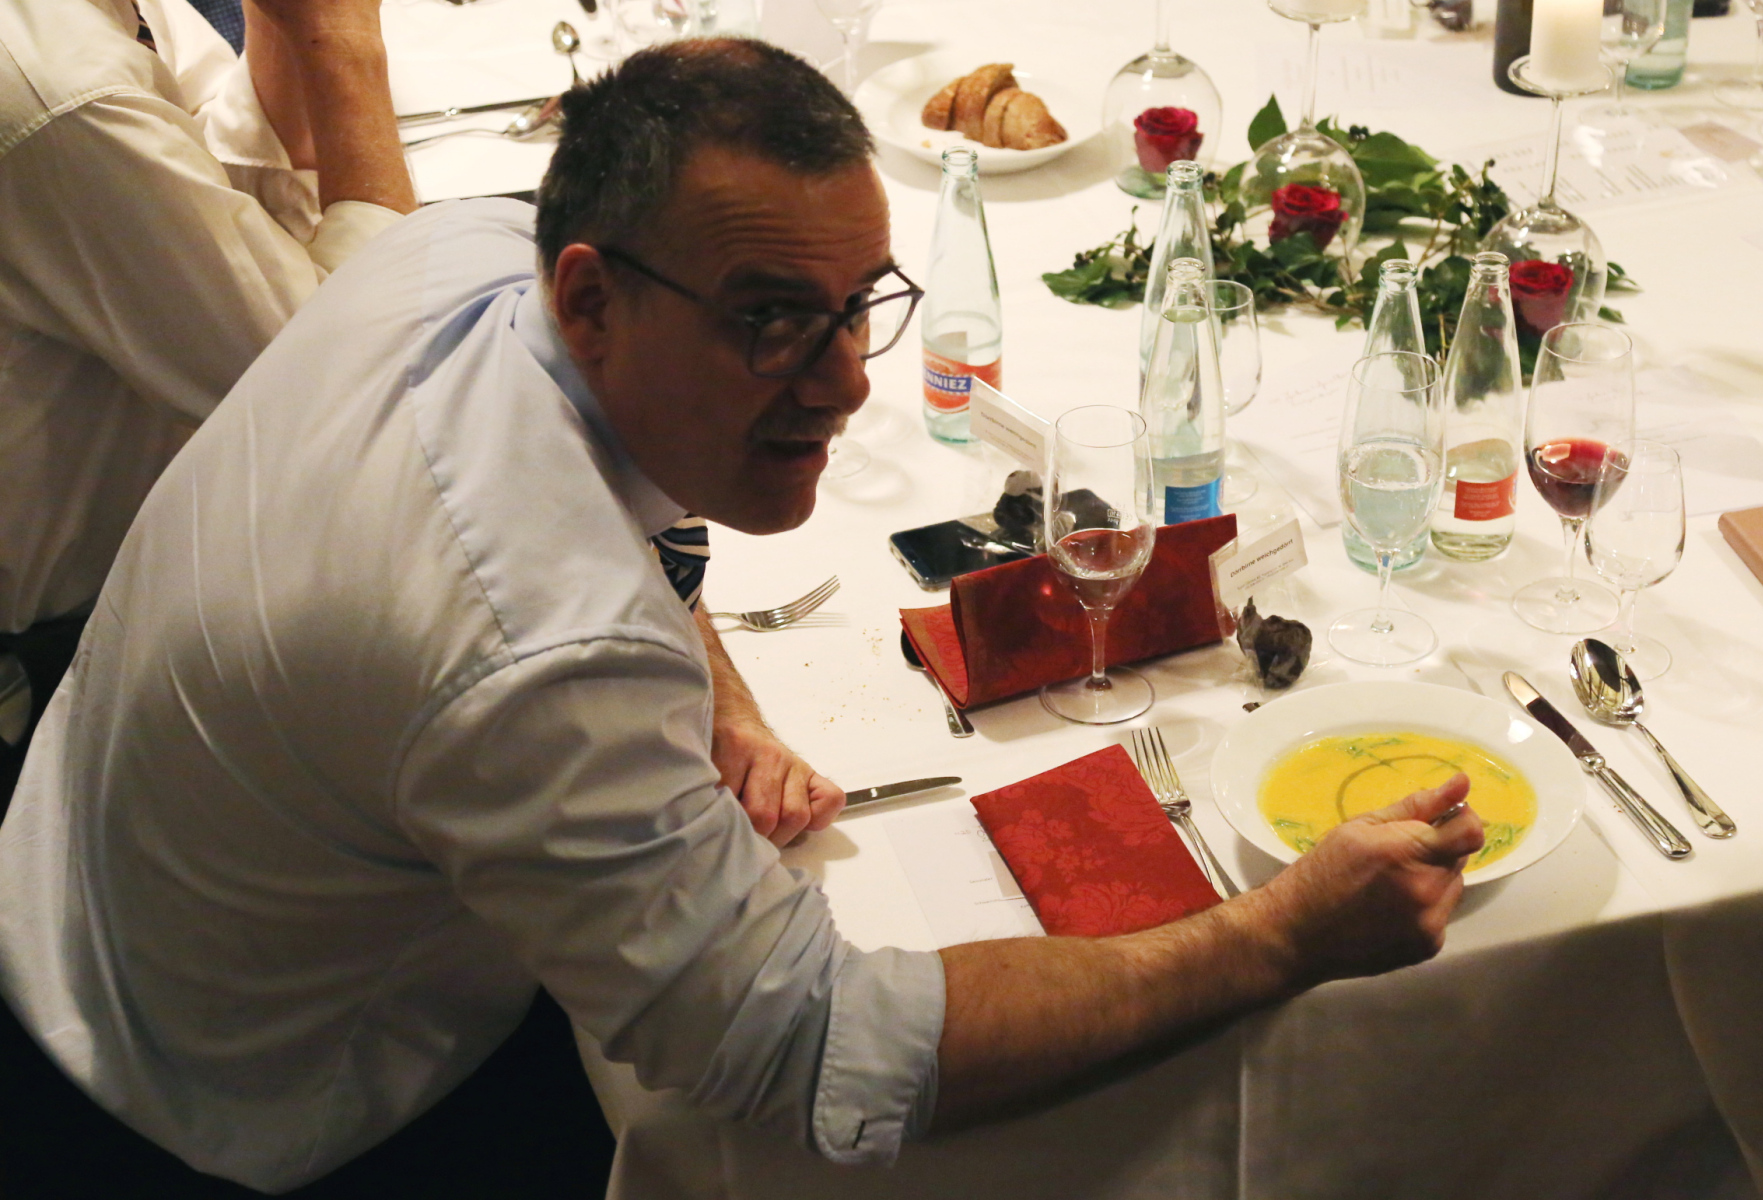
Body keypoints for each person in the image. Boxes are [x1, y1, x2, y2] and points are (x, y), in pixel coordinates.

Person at [0, 37, 1484, 1194]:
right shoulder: (538, 657)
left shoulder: (460, 255)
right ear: (591, 297)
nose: (846, 381)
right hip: (211, 1109)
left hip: (66, 870)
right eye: (769, 318)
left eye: (859, 302)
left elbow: (579, 530)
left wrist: (716, 689)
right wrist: (1275, 936)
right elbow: (824, 1051)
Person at [0, 0, 416, 803]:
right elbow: (352, 380)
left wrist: (289, 32)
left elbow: (212, 180)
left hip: (166, 571)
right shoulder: (57, 88)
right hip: (73, 678)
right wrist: (346, 51)